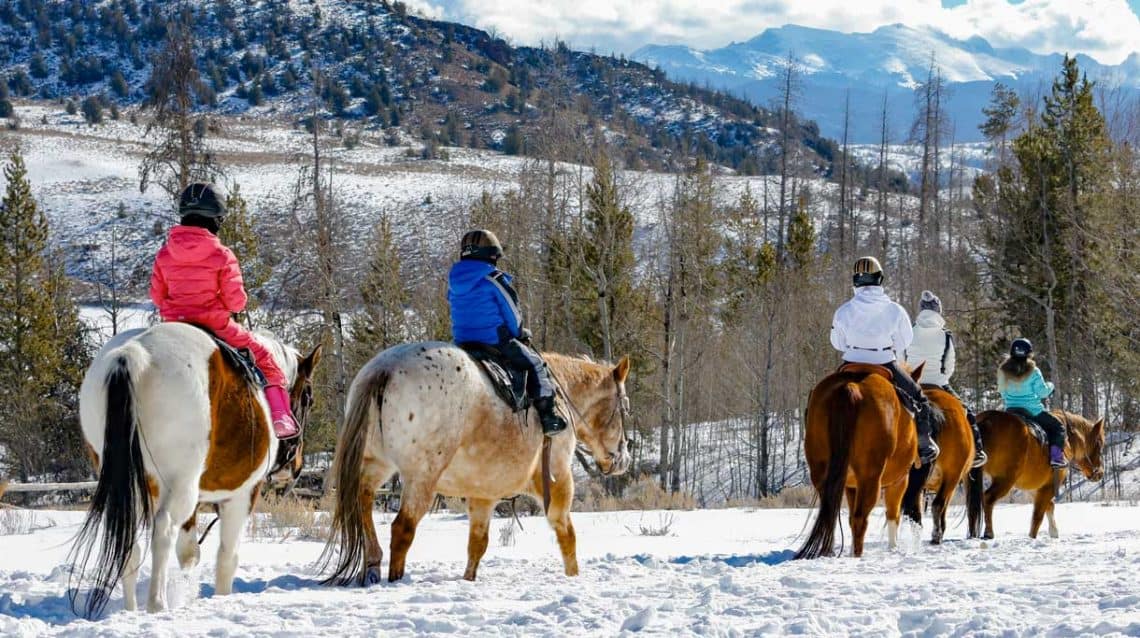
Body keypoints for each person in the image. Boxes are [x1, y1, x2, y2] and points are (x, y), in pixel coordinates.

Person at [150, 183, 299, 440]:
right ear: (216, 219)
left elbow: (156, 296)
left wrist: (176, 309)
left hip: (173, 327)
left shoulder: (165, 253)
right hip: (215, 325)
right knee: (264, 356)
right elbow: (236, 303)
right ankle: (280, 417)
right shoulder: (222, 254)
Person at [447, 229, 568, 436]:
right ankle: (549, 418)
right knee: (536, 364)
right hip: (493, 339)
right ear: (490, 255)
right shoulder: (493, 278)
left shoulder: (453, 281)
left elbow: (452, 304)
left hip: (462, 340)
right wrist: (520, 332)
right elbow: (512, 312)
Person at [830, 257, 939, 463]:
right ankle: (924, 445)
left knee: (822, 395)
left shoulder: (843, 311)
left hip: (850, 361)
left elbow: (837, 343)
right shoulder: (895, 310)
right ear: (880, 279)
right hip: (884, 362)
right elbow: (905, 341)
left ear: (855, 281)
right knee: (918, 397)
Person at [906, 291, 987, 468]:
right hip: (939, 383)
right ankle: (977, 451)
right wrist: (941, 379)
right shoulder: (946, 336)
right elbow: (950, 364)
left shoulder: (909, 331)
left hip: (912, 384)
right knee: (968, 414)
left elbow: (901, 358)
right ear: (938, 310)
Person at [998, 338, 1066, 468]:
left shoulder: (1003, 370)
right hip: (1032, 411)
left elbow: (1002, 392)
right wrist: (1051, 386)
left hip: (1010, 410)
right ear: (1029, 353)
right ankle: (1056, 459)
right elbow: (1042, 393)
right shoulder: (1034, 371)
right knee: (1058, 428)